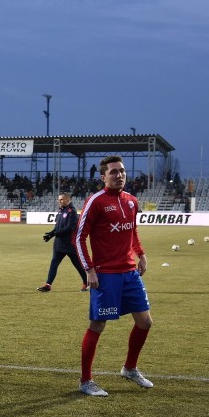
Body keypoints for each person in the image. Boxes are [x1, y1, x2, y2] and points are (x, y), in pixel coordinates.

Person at [74, 155, 154, 397]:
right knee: (98, 325)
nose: (119, 175)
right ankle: (86, 380)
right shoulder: (95, 201)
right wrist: (89, 269)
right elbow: (78, 237)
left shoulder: (131, 201)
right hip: (106, 275)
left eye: (122, 171)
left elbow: (133, 231)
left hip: (130, 273)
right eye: (113, 172)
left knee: (145, 322)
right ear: (103, 177)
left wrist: (140, 253)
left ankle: (129, 368)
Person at [38, 193, 87, 293]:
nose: (59, 201)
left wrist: (55, 233)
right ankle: (48, 285)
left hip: (69, 244)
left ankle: (86, 282)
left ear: (68, 200)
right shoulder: (61, 211)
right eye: (58, 199)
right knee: (54, 264)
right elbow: (57, 227)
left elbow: (70, 228)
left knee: (77, 265)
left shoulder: (72, 212)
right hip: (59, 244)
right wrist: (51, 234)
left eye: (61, 199)